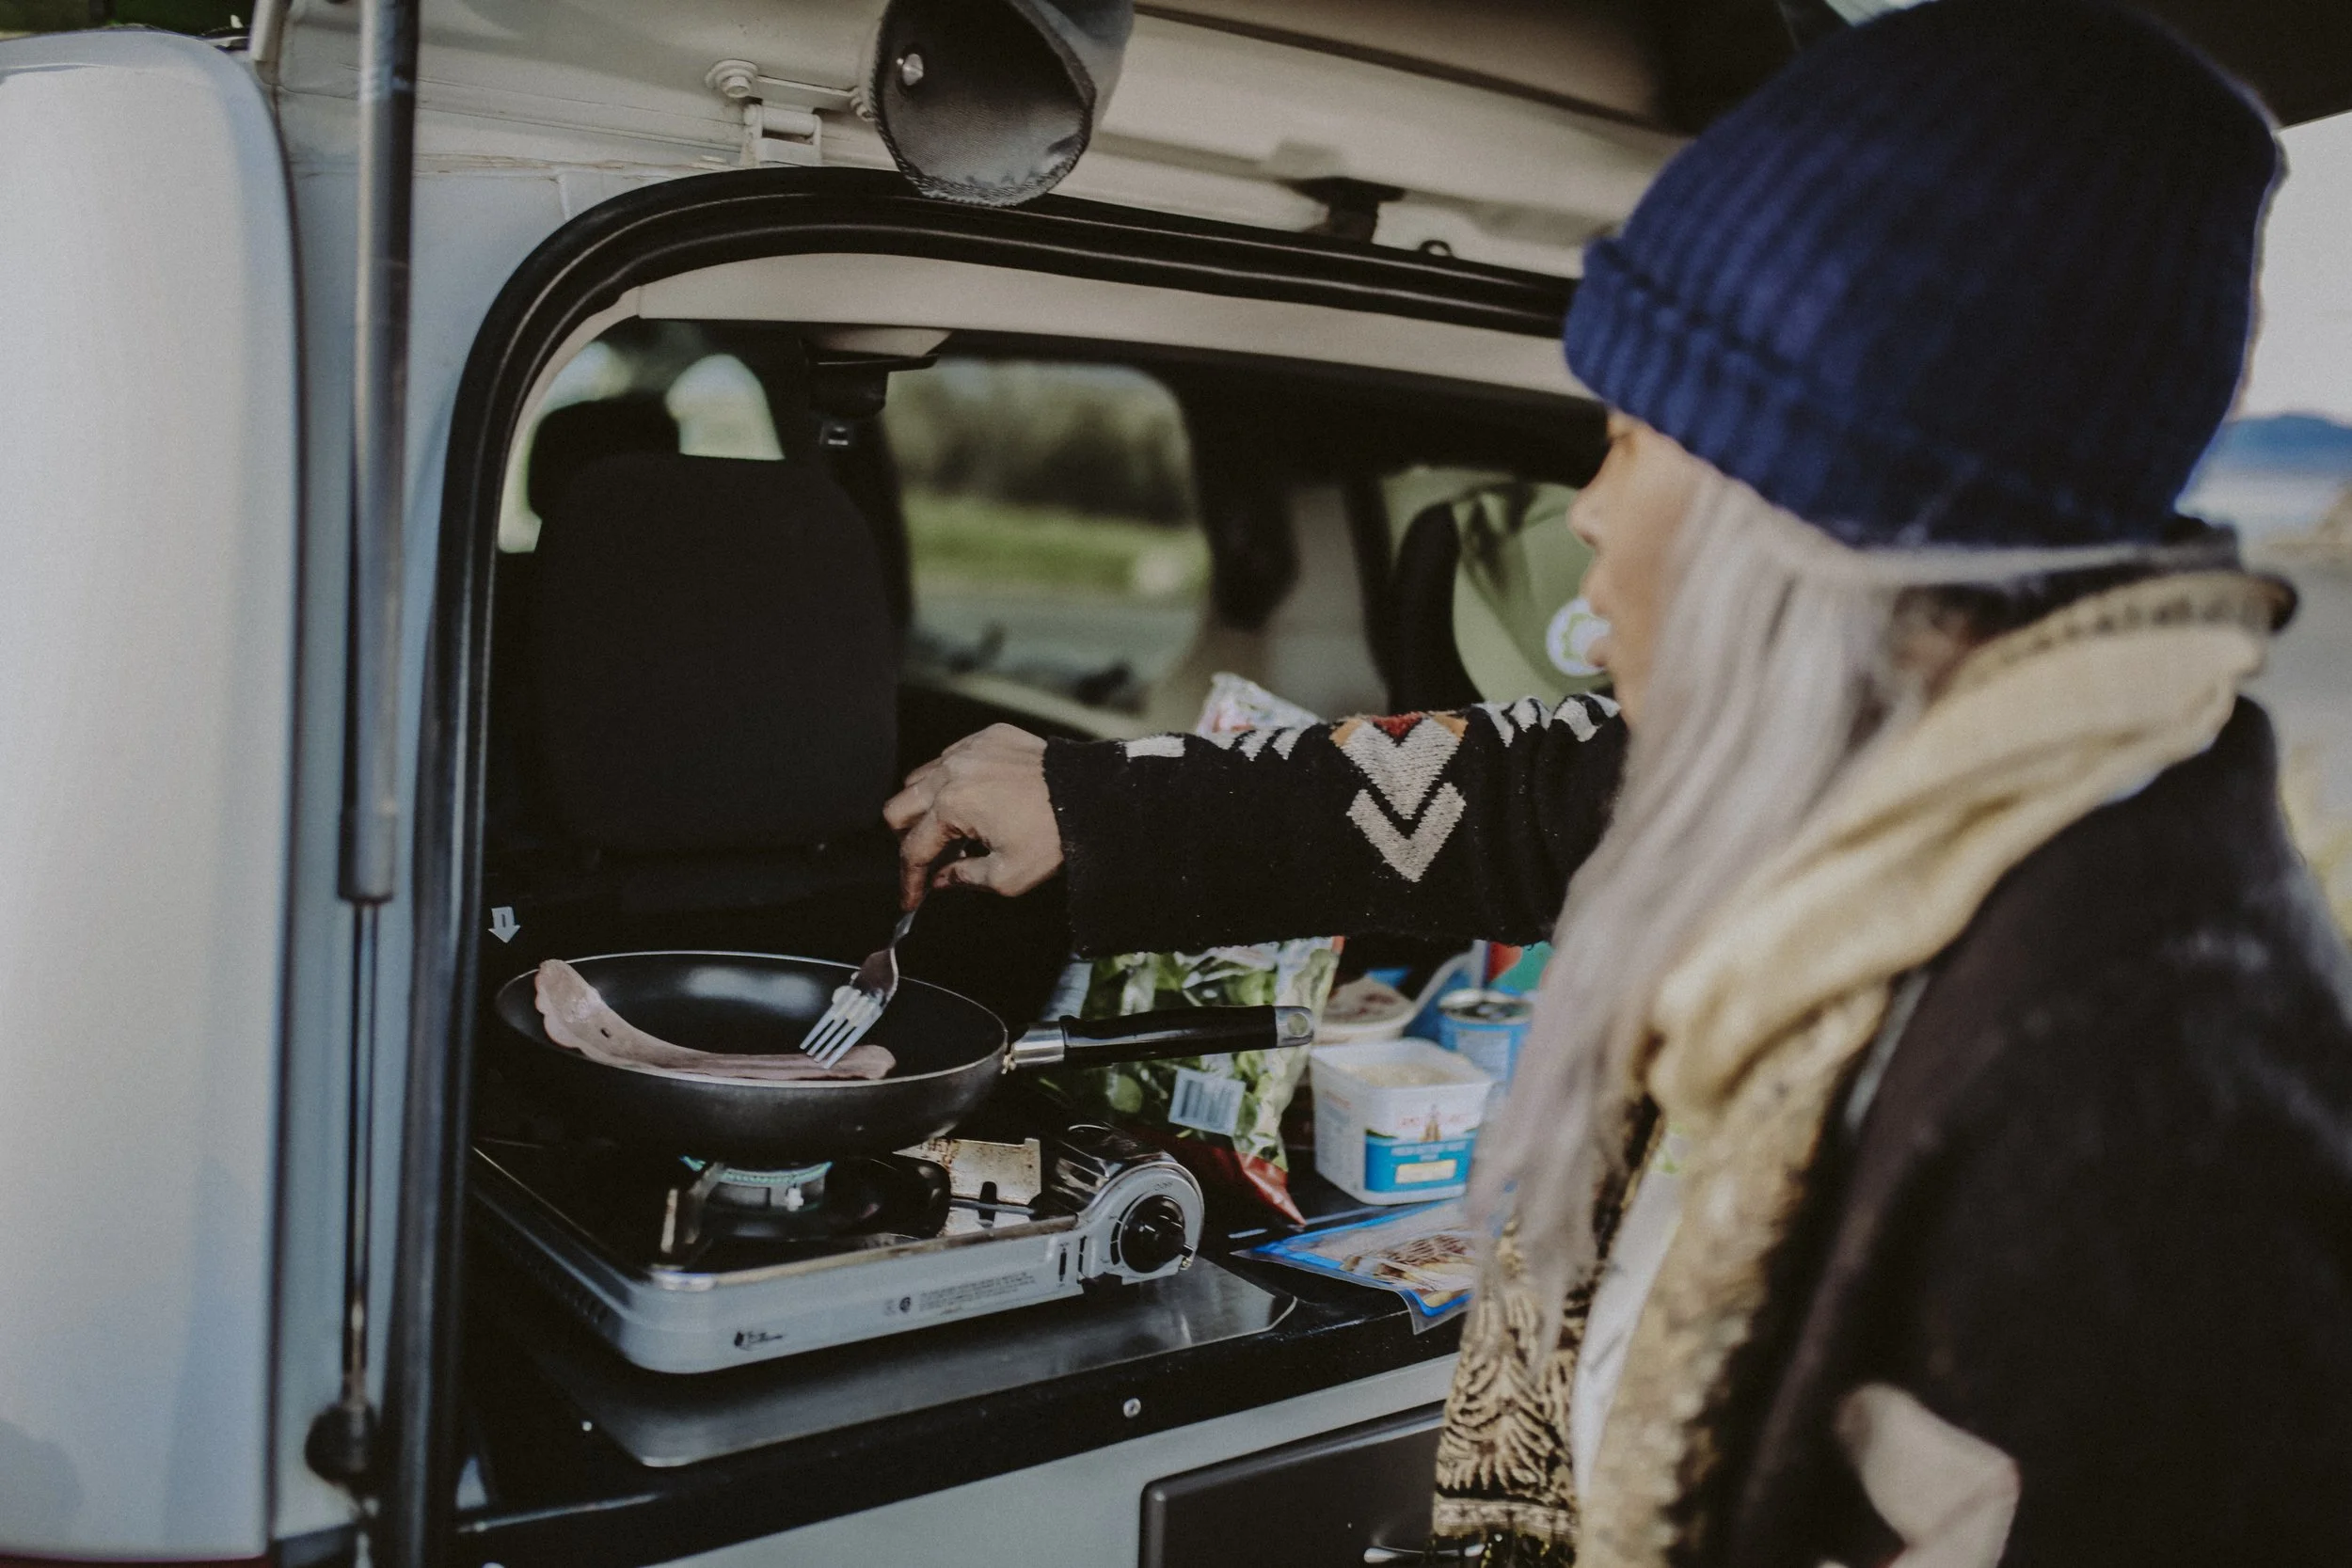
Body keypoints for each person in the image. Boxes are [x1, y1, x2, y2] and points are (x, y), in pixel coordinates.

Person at [886, 2, 2352, 1562]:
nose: (1585, 513)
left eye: (1636, 440)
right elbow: (1519, 791)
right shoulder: (1857, 781)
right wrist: (1100, 803)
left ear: (1801, 510)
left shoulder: (2143, 1095)